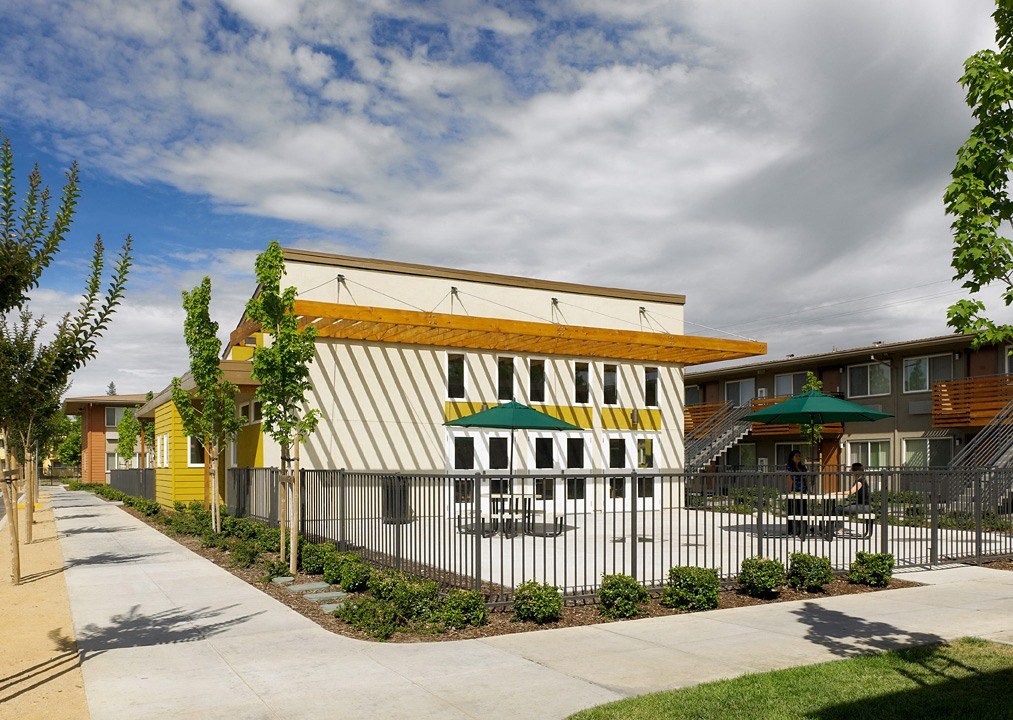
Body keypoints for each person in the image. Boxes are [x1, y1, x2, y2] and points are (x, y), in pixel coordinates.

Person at [835, 462, 872, 536]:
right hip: (862, 505)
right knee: (839, 507)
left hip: (863, 507)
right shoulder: (861, 479)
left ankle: (840, 530)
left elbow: (850, 492)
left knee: (838, 509)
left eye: (851, 468)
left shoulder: (860, 482)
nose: (849, 470)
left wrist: (834, 493)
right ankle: (839, 529)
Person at [785, 450, 809, 538]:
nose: (799, 457)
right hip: (794, 491)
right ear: (792, 457)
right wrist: (789, 491)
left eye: (799, 455)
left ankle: (803, 530)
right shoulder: (789, 467)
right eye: (796, 456)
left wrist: (808, 489)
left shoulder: (803, 467)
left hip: (803, 491)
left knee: (803, 510)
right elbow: (789, 479)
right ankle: (793, 530)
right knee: (793, 511)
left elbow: (806, 479)